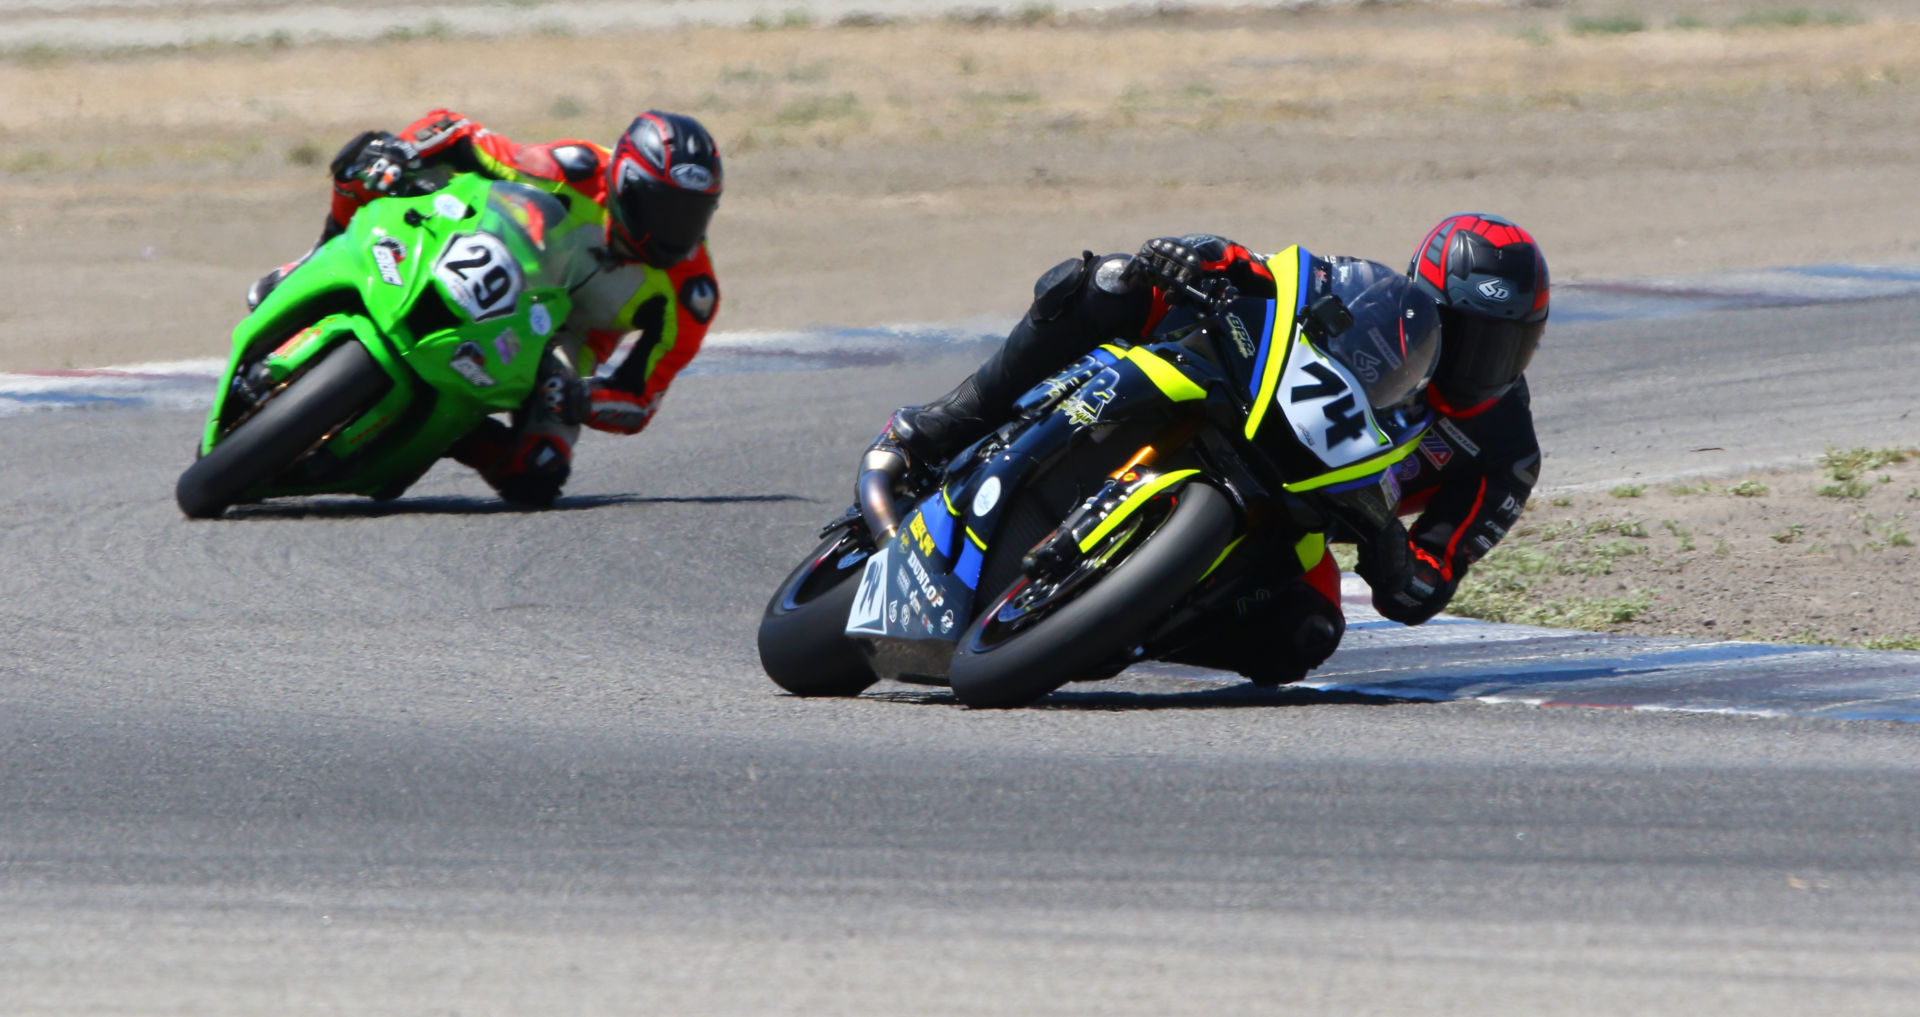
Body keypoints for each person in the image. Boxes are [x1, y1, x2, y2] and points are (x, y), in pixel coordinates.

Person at [868, 214, 1548, 684]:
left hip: (1302, 517)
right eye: (1466, 334)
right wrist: (1201, 253)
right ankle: (944, 424)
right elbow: (1271, 277)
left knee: (1307, 632)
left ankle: (1117, 625)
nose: (1481, 360)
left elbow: (1428, 581)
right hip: (1239, 407)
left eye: (1508, 343)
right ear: (1426, 301)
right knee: (1109, 282)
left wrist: (1396, 555)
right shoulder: (1375, 300)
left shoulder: (1508, 454)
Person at [251, 108, 724, 505]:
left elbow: (640, 399)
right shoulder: (574, 169)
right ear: (621, 182)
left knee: (536, 474)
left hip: (564, 339)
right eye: (662, 208)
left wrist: (583, 397)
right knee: (364, 162)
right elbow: (460, 133)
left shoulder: (691, 294)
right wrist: (404, 152)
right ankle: (314, 260)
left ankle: (453, 429)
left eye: (691, 214)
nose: (674, 231)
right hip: (500, 260)